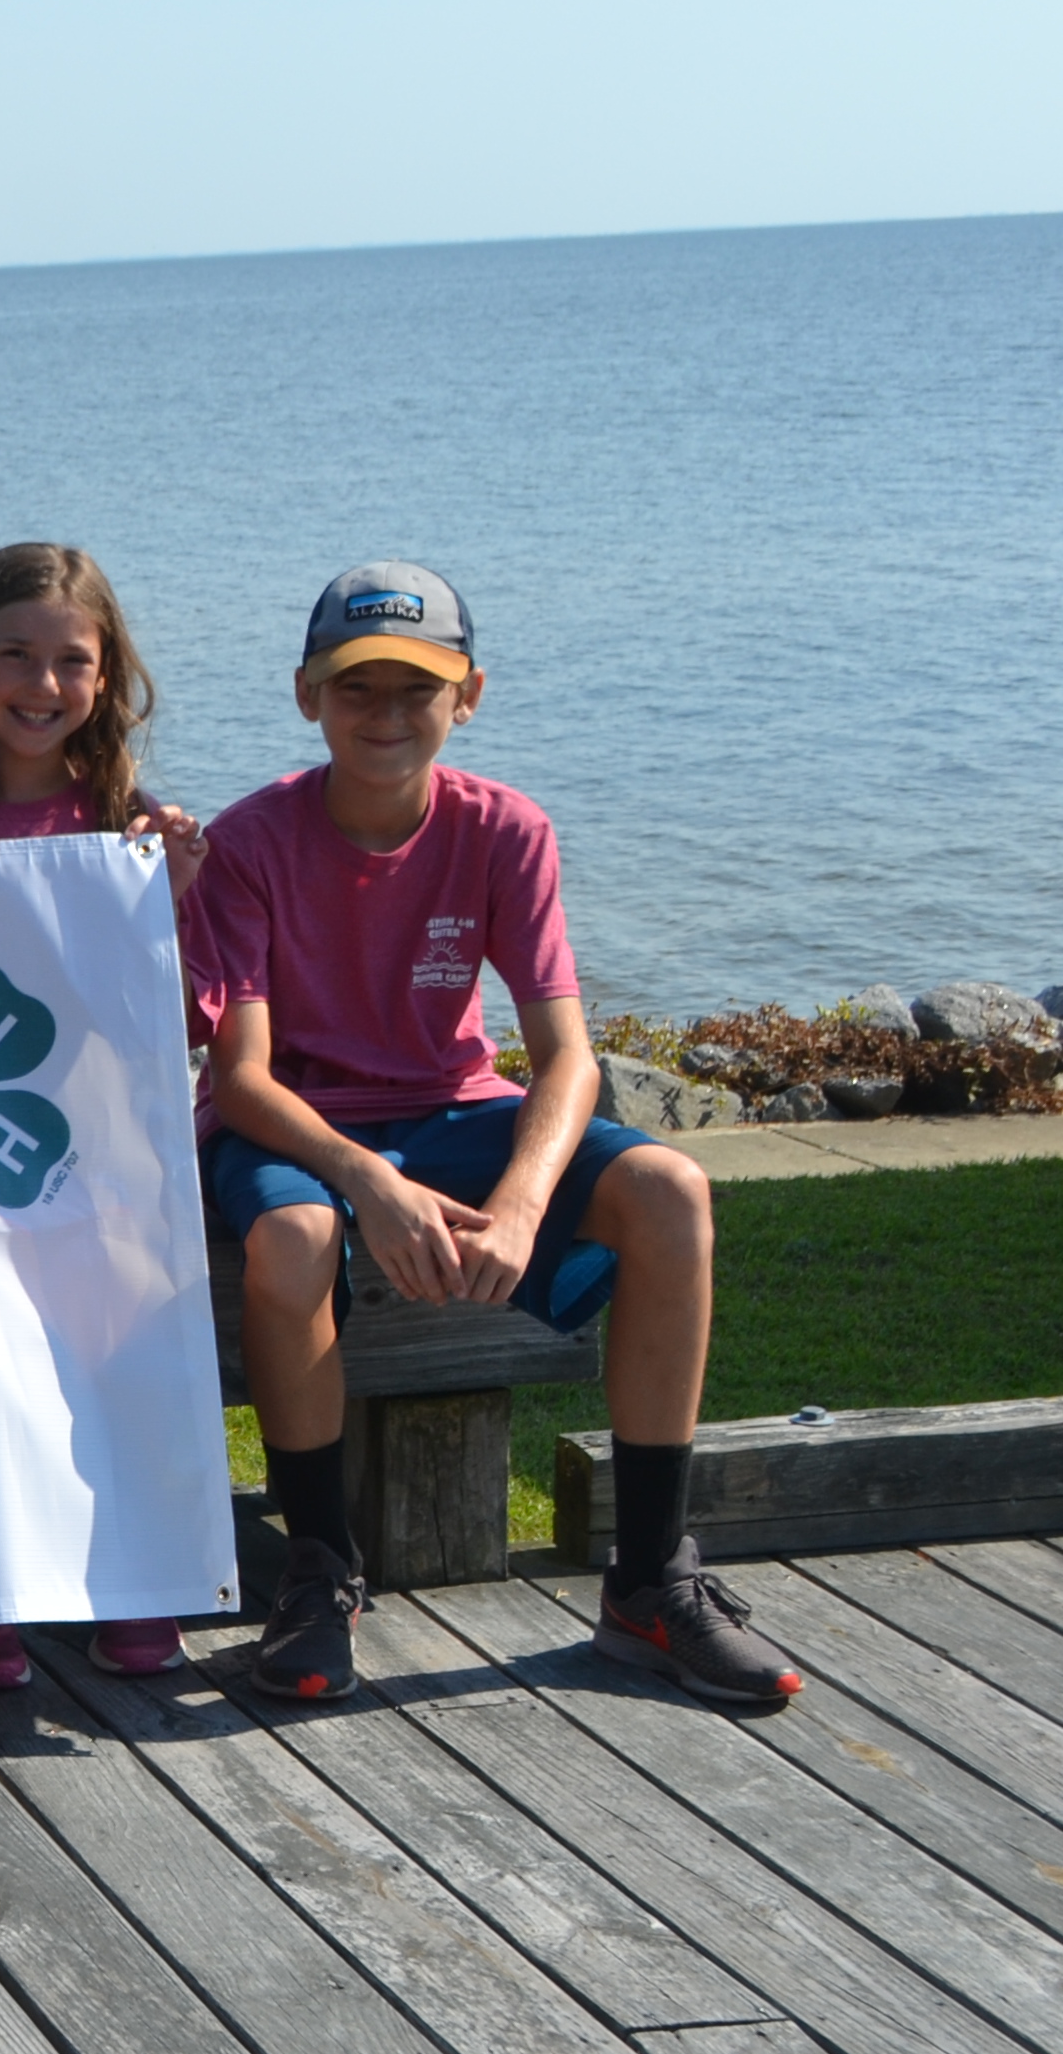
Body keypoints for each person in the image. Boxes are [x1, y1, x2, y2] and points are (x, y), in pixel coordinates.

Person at [193, 563, 788, 1704]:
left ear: (467, 697)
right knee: (297, 1241)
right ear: (306, 694)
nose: (384, 712)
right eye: (354, 686)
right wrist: (370, 1181)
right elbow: (245, 1079)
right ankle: (317, 1573)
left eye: (417, 688)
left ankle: (650, 1580)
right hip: (300, 1130)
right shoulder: (249, 842)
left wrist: (519, 1203)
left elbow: (566, 1058)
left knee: (671, 1192)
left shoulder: (506, 829)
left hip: (459, 1109)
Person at [0, 542, 209, 1683]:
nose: (44, 683)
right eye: (16, 653)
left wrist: (179, 896)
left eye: (73, 661)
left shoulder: (131, 821)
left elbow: (189, 1018)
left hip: (105, 1162)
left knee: (120, 1351)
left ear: (107, 679)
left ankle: (133, 1573)